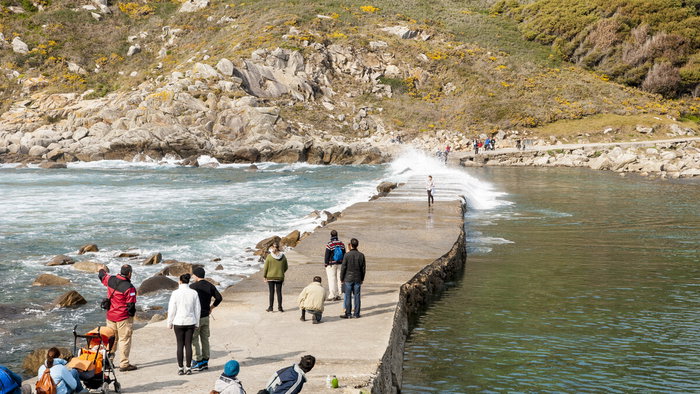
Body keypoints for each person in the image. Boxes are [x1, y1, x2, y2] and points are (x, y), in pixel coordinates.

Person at [98, 264, 137, 372]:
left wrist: (101, 269)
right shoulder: (130, 288)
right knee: (124, 340)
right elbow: (131, 307)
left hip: (110, 316)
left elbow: (102, 276)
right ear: (129, 274)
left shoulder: (110, 279)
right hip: (123, 317)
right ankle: (124, 364)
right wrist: (131, 317)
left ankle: (108, 362)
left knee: (111, 339)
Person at [168, 273, 201, 375]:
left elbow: (172, 309)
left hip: (178, 322)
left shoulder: (175, 293)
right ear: (188, 281)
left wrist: (170, 322)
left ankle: (180, 368)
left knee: (179, 345)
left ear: (180, 281)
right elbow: (197, 309)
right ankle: (188, 368)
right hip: (190, 321)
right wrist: (197, 322)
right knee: (188, 345)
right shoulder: (194, 293)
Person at [190, 267, 223, 372]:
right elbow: (219, 298)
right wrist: (211, 308)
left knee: (194, 339)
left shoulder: (192, 287)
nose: (192, 276)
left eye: (193, 275)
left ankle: (197, 361)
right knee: (205, 339)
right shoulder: (210, 285)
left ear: (196, 275)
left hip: (196, 318)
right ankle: (205, 362)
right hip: (205, 317)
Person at [339, 238, 366, 319]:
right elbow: (363, 269)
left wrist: (341, 278)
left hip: (348, 278)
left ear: (350, 245)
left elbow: (343, 267)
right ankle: (356, 314)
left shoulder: (347, 255)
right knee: (357, 296)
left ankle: (348, 313)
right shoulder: (361, 255)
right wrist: (362, 279)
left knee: (348, 296)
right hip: (358, 278)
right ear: (357, 245)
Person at [263, 243, 288, 312]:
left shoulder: (269, 256)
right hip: (280, 277)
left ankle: (271, 307)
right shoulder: (283, 256)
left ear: (272, 248)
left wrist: (264, 276)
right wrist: (281, 272)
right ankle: (280, 308)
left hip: (270, 277)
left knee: (271, 292)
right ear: (278, 247)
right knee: (279, 292)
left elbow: (266, 267)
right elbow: (286, 267)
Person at [323, 230, 345, 301]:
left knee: (332, 279)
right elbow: (344, 254)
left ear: (331, 236)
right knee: (340, 279)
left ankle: (332, 295)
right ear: (337, 235)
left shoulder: (329, 244)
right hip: (340, 263)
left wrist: (326, 263)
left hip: (331, 264)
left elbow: (327, 255)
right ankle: (339, 294)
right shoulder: (341, 244)